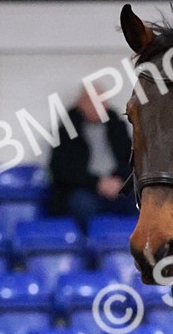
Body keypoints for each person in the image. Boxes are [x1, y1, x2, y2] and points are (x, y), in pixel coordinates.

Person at [48, 81, 135, 228]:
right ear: (81, 104)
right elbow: (61, 169)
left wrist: (118, 180)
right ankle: (91, 246)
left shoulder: (117, 127)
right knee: (82, 203)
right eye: (95, 102)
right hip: (85, 189)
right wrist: (97, 183)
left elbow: (132, 160)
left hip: (118, 185)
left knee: (141, 200)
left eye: (103, 101)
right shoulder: (67, 131)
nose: (102, 106)